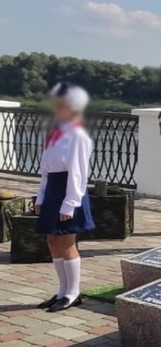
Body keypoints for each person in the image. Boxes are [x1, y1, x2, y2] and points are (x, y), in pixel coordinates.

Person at [35, 82, 95, 313]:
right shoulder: (55, 134)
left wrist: (70, 204)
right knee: (52, 240)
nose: (56, 108)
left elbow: (78, 173)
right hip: (53, 190)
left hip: (69, 192)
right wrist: (41, 197)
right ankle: (62, 291)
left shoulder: (78, 136)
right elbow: (45, 170)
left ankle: (73, 292)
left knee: (66, 242)